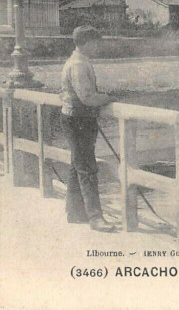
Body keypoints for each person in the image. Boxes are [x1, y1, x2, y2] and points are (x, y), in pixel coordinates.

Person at [60, 26, 117, 232]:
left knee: (78, 165)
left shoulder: (78, 61)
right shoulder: (78, 65)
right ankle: (95, 218)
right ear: (85, 43)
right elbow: (87, 98)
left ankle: (74, 212)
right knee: (87, 168)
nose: (98, 47)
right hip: (78, 120)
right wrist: (109, 98)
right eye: (95, 43)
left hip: (76, 118)